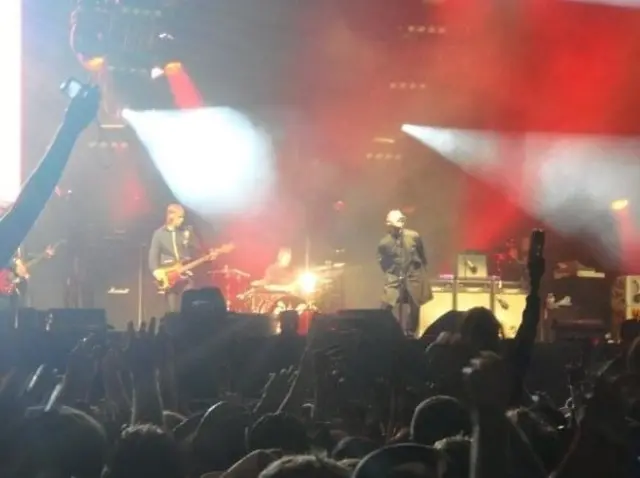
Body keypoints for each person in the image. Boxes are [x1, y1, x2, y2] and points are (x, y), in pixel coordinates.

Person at [377, 210, 432, 337]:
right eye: (395, 227)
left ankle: (410, 333)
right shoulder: (384, 243)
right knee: (386, 304)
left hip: (413, 275)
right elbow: (382, 261)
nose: (398, 230)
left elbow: (421, 252)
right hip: (395, 276)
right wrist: (391, 272)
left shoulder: (413, 236)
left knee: (415, 305)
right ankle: (383, 330)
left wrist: (422, 267)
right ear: (389, 226)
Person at [149, 204, 202, 313]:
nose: (182, 220)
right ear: (171, 216)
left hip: (186, 275)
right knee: (172, 311)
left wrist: (203, 254)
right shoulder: (159, 234)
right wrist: (158, 272)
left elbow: (198, 250)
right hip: (170, 278)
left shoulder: (187, 232)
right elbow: (153, 257)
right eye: (180, 217)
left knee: (189, 307)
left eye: (183, 217)